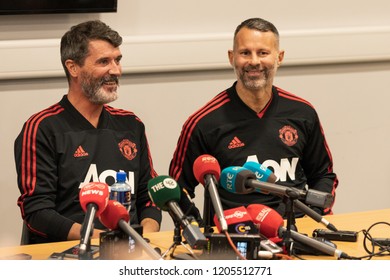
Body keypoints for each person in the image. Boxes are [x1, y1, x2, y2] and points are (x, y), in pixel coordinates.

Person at [169, 17, 338, 225]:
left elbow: (324, 175)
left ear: (280, 57)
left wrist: (312, 219)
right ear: (232, 57)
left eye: (263, 53)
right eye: (245, 53)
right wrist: (198, 229)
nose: (254, 61)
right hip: (235, 235)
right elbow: (177, 189)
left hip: (295, 229)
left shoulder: (303, 113)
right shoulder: (203, 122)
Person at [14, 20, 161, 244]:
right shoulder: (42, 127)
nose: (116, 70)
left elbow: (148, 197)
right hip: (68, 255)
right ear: (73, 67)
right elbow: (37, 212)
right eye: (104, 62)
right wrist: (100, 239)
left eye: (118, 60)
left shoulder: (131, 124)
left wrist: (143, 240)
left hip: (129, 253)